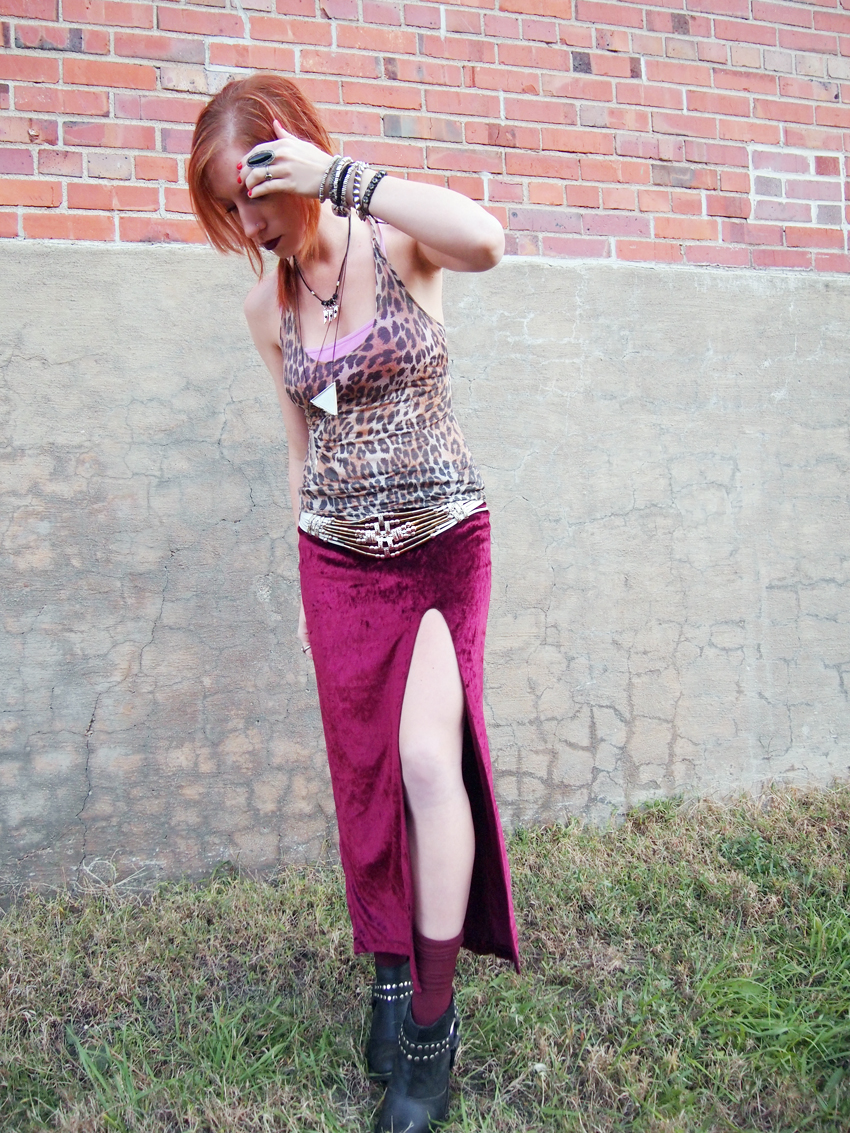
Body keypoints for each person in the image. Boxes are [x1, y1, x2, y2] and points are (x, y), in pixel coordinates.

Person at [188, 73, 519, 1133]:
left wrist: (343, 178)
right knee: (365, 780)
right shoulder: (267, 307)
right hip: (336, 561)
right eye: (229, 211)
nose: (250, 227)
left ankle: (428, 1028)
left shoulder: (399, 240)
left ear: (288, 153)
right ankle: (387, 971)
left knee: (425, 759)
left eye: (253, 196)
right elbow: (301, 450)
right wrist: (306, 583)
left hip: (440, 547)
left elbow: (486, 240)